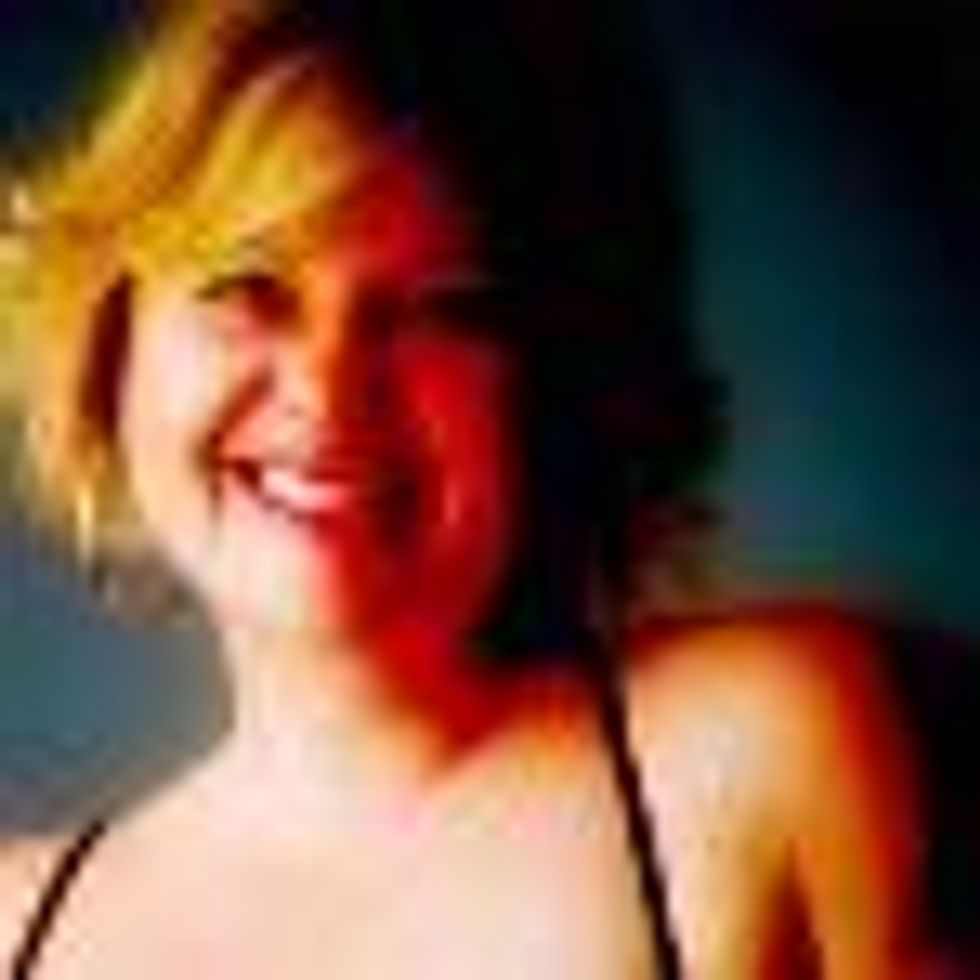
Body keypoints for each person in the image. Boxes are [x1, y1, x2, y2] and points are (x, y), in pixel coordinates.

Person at [0, 0, 930, 976]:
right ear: (109, 352)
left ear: (555, 380)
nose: (329, 390)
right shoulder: (18, 927)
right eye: (248, 290)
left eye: (438, 309)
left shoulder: (780, 747)